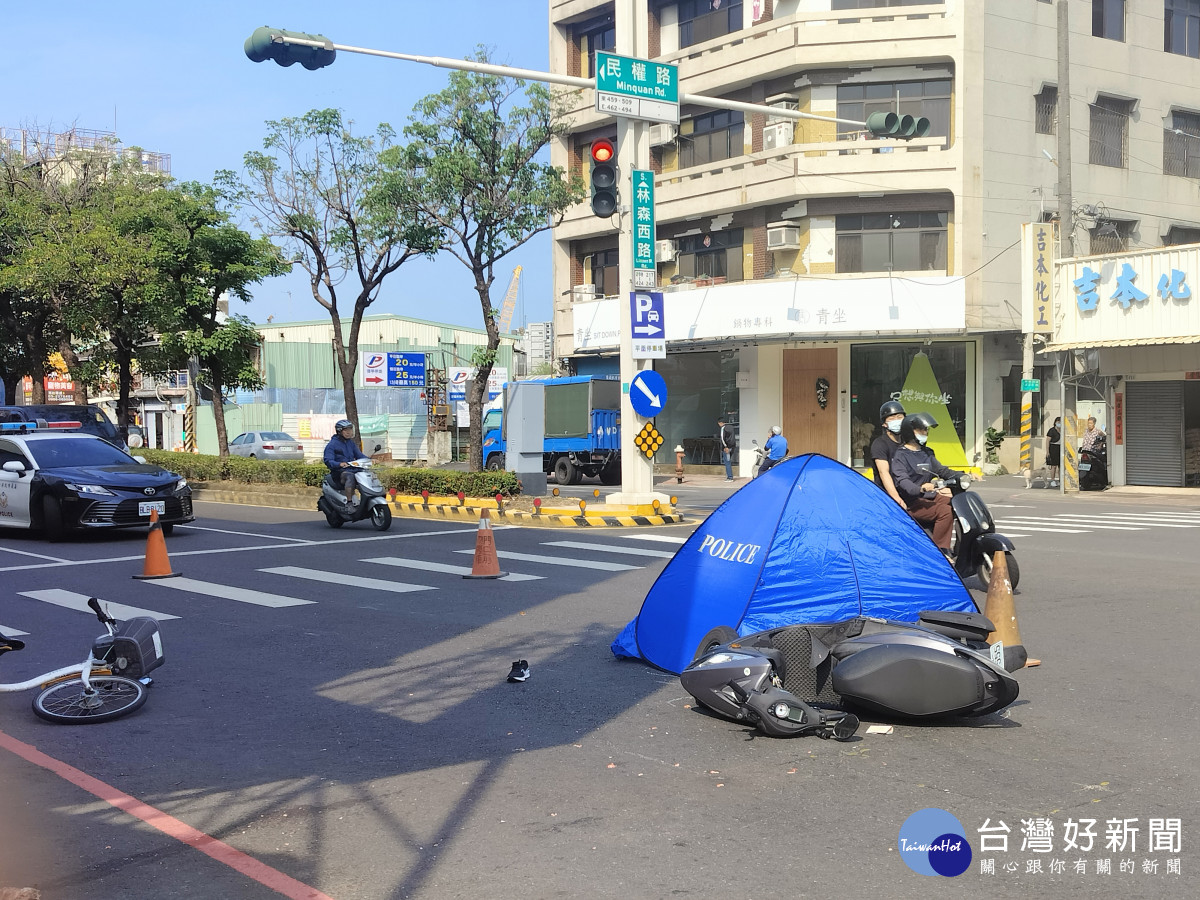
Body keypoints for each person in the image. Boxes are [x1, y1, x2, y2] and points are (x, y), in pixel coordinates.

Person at [889, 412, 956, 554]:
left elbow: (942, 470)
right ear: (909, 432)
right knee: (945, 512)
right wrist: (921, 489)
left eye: (926, 430)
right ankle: (940, 552)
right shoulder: (901, 455)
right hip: (912, 501)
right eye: (921, 430)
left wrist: (964, 476)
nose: (924, 433)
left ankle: (956, 545)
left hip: (927, 497)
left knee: (954, 502)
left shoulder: (927, 452)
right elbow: (903, 481)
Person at [869, 400, 907, 507]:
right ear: (884, 424)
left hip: (908, 491)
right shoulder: (880, 444)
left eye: (899, 417)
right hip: (887, 496)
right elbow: (883, 472)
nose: (896, 421)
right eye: (891, 418)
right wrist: (895, 498)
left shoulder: (908, 441)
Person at [324, 419, 368, 506]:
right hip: (339, 472)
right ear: (339, 431)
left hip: (352, 469)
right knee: (350, 477)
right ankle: (349, 502)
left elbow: (359, 455)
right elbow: (328, 460)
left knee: (367, 474)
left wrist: (370, 460)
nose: (349, 432)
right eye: (346, 430)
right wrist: (339, 464)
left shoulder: (350, 443)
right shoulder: (332, 445)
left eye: (350, 429)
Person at [718, 416, 736, 482]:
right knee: (728, 461)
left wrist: (726, 447)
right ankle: (729, 476)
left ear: (720, 423)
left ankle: (730, 477)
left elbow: (722, 438)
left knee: (727, 462)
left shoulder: (723, 428)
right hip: (732, 447)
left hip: (727, 448)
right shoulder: (731, 427)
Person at [1045, 416, 1061, 487]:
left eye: (1060, 422)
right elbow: (1047, 441)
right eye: (1058, 422)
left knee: (1061, 466)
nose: (1059, 423)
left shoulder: (1064, 430)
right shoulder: (1051, 430)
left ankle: (1061, 480)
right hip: (1053, 448)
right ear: (1055, 422)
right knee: (1054, 466)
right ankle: (1052, 480)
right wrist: (1047, 451)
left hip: (1061, 448)